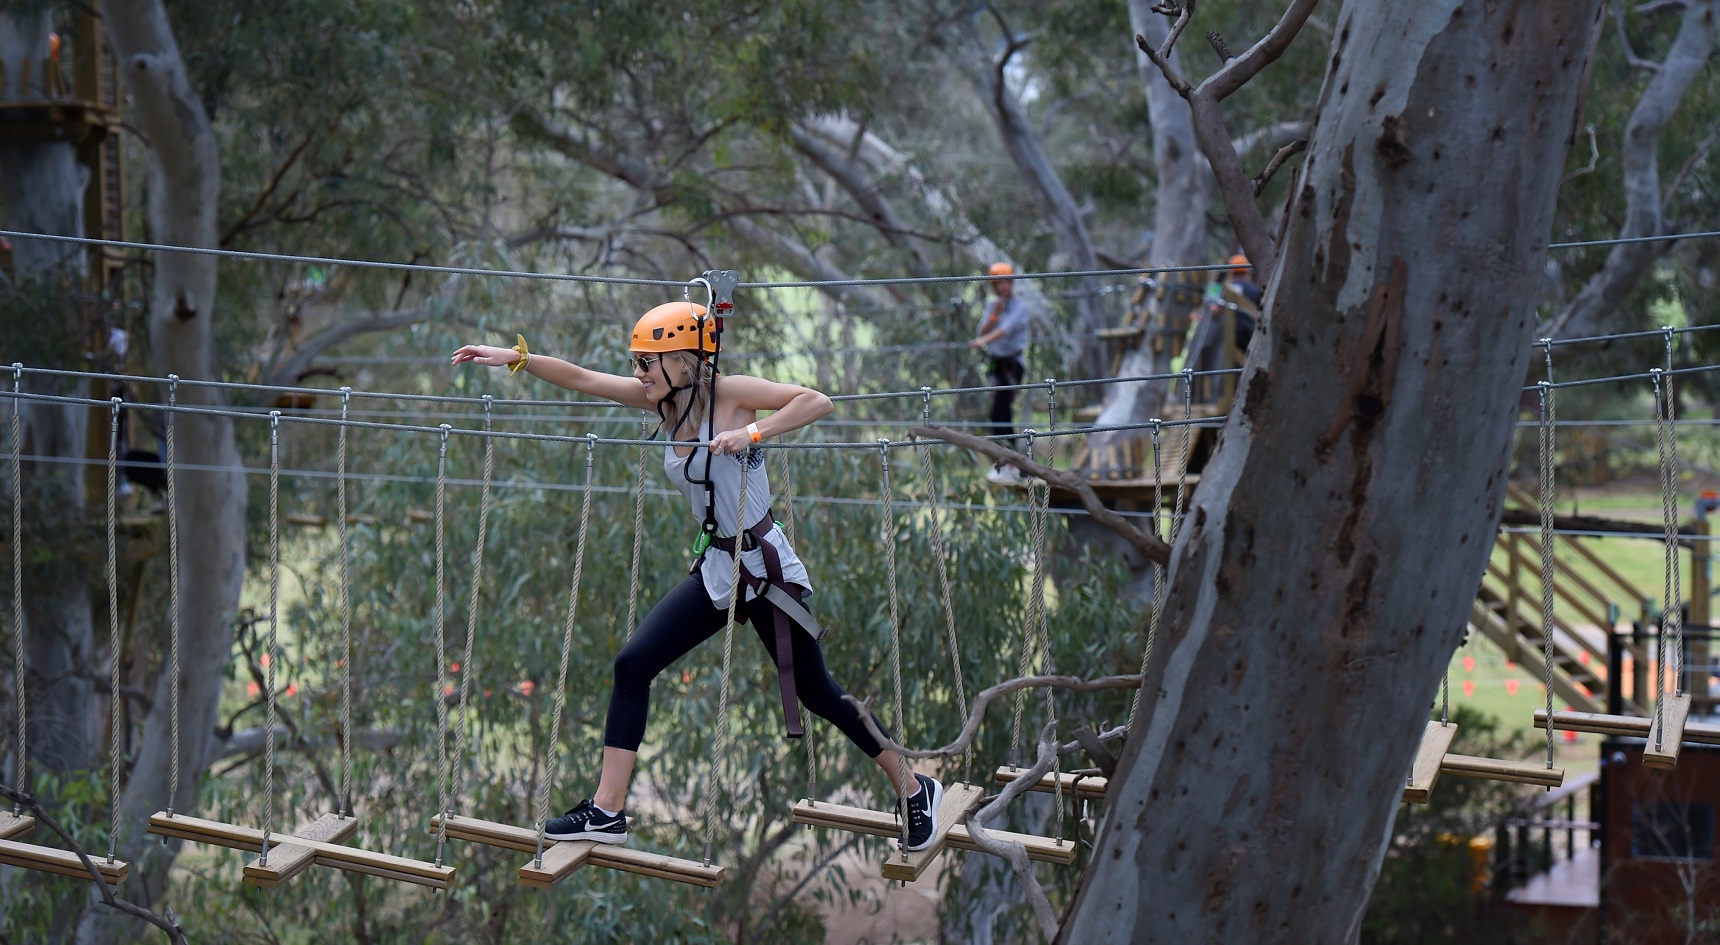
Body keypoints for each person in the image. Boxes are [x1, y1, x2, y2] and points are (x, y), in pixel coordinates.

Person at [450, 302, 944, 849]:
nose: (638, 374)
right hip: (718, 571)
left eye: (647, 363)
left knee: (819, 692)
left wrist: (751, 434)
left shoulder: (730, 395)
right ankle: (606, 811)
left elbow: (816, 401)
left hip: (766, 572)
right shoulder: (658, 402)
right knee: (632, 665)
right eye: (636, 363)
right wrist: (515, 359)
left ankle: (914, 787)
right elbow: (583, 378)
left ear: (684, 362)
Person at [969, 261, 1032, 485]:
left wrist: (982, 341)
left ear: (1011, 283)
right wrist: (994, 315)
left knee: (1001, 411)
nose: (1001, 288)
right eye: (997, 284)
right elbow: (984, 328)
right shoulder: (993, 306)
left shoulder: (1020, 307)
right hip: (995, 364)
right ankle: (1005, 461)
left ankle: (1012, 462)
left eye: (1004, 282)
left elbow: (1004, 331)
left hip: (1012, 364)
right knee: (997, 414)